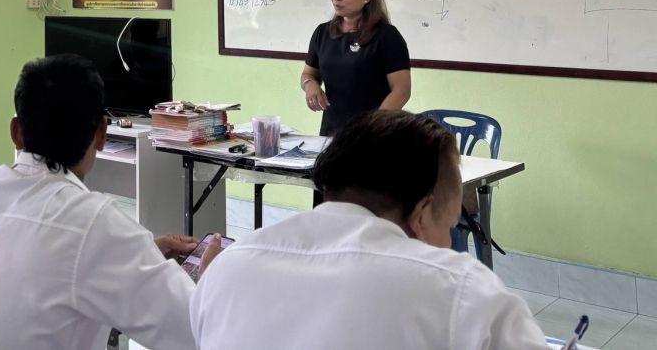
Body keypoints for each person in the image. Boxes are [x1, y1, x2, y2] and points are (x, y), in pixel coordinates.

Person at [0, 54, 219, 350]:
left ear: (16, 132)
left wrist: (139, 255)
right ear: (101, 134)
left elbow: (39, 265)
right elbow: (199, 332)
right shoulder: (93, 223)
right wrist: (214, 277)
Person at [191, 110, 550, 350]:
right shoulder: (463, 293)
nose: (448, 239)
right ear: (423, 213)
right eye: (450, 223)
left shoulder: (227, 268)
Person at [300, 0, 410, 136]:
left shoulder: (386, 36)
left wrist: (374, 125)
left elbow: (402, 91)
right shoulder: (322, 32)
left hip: (374, 134)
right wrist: (309, 85)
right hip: (331, 133)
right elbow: (308, 74)